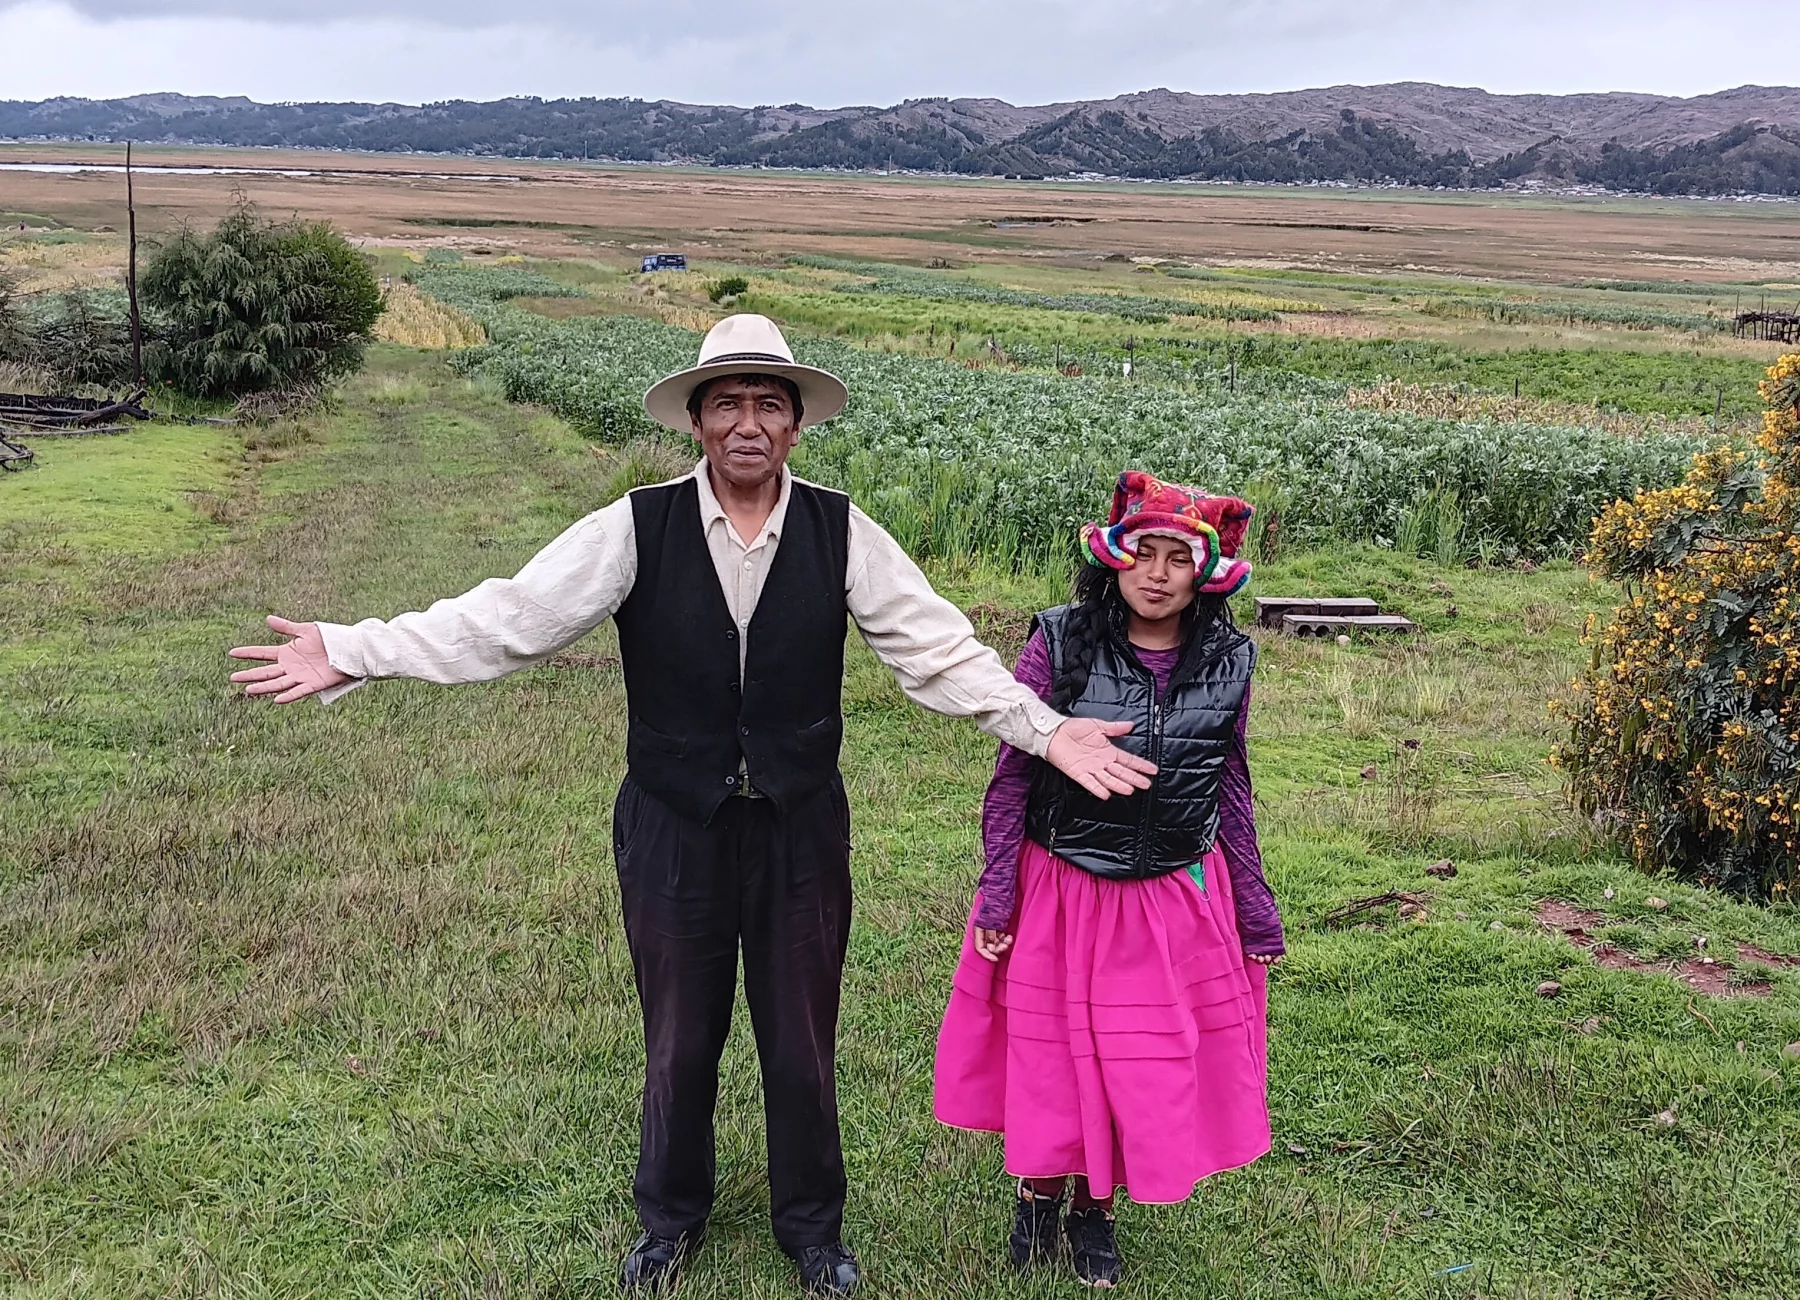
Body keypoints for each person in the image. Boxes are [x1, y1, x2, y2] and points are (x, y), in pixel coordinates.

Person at [226, 314, 1158, 1297]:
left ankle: (813, 1229)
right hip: (673, 826)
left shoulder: (844, 530)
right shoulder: (636, 526)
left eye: (767, 404)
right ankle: (670, 1220)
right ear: (697, 422)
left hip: (800, 828)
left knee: (800, 1036)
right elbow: (506, 622)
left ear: (796, 426)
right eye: (727, 404)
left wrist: (1046, 729)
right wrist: (354, 646)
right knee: (678, 1035)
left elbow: (937, 651)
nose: (747, 423)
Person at [933, 470, 1285, 1288]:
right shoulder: (1060, 641)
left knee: (1138, 1062)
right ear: (1114, 560)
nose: (1157, 574)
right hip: (1062, 887)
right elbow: (1013, 772)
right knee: (1054, 1058)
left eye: (1177, 558)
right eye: (1143, 554)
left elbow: (1228, 782)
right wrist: (998, 887)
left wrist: (1256, 907)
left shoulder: (1230, 660)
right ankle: (1037, 1192)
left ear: (1205, 573)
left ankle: (1097, 1211)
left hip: (1166, 898)